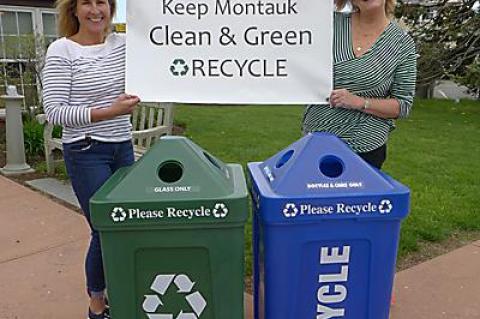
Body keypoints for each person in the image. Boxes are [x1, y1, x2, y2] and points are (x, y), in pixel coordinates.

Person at [42, 0, 140, 318]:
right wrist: (109, 111)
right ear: (73, 10)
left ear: (112, 8)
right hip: (86, 150)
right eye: (87, 2)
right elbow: (56, 112)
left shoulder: (124, 46)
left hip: (121, 147)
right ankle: (96, 301)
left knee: (127, 223)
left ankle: (125, 288)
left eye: (102, 2)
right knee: (105, 227)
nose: (95, 10)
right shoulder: (62, 51)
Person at [302, 0, 417, 169]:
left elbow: (403, 105)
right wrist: (254, 88)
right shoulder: (327, 24)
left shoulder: (402, 44)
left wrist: (359, 102)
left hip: (366, 151)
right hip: (316, 142)